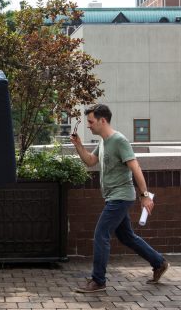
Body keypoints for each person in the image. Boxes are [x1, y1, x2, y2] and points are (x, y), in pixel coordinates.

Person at [70, 104, 169, 293]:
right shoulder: (104, 141)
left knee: (101, 234)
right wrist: (78, 145)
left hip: (120, 197)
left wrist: (145, 195)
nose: (89, 125)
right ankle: (159, 263)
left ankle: (98, 280)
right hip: (112, 197)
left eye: (91, 122)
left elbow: (135, 167)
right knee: (126, 236)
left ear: (102, 120)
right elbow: (91, 161)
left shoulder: (119, 140)